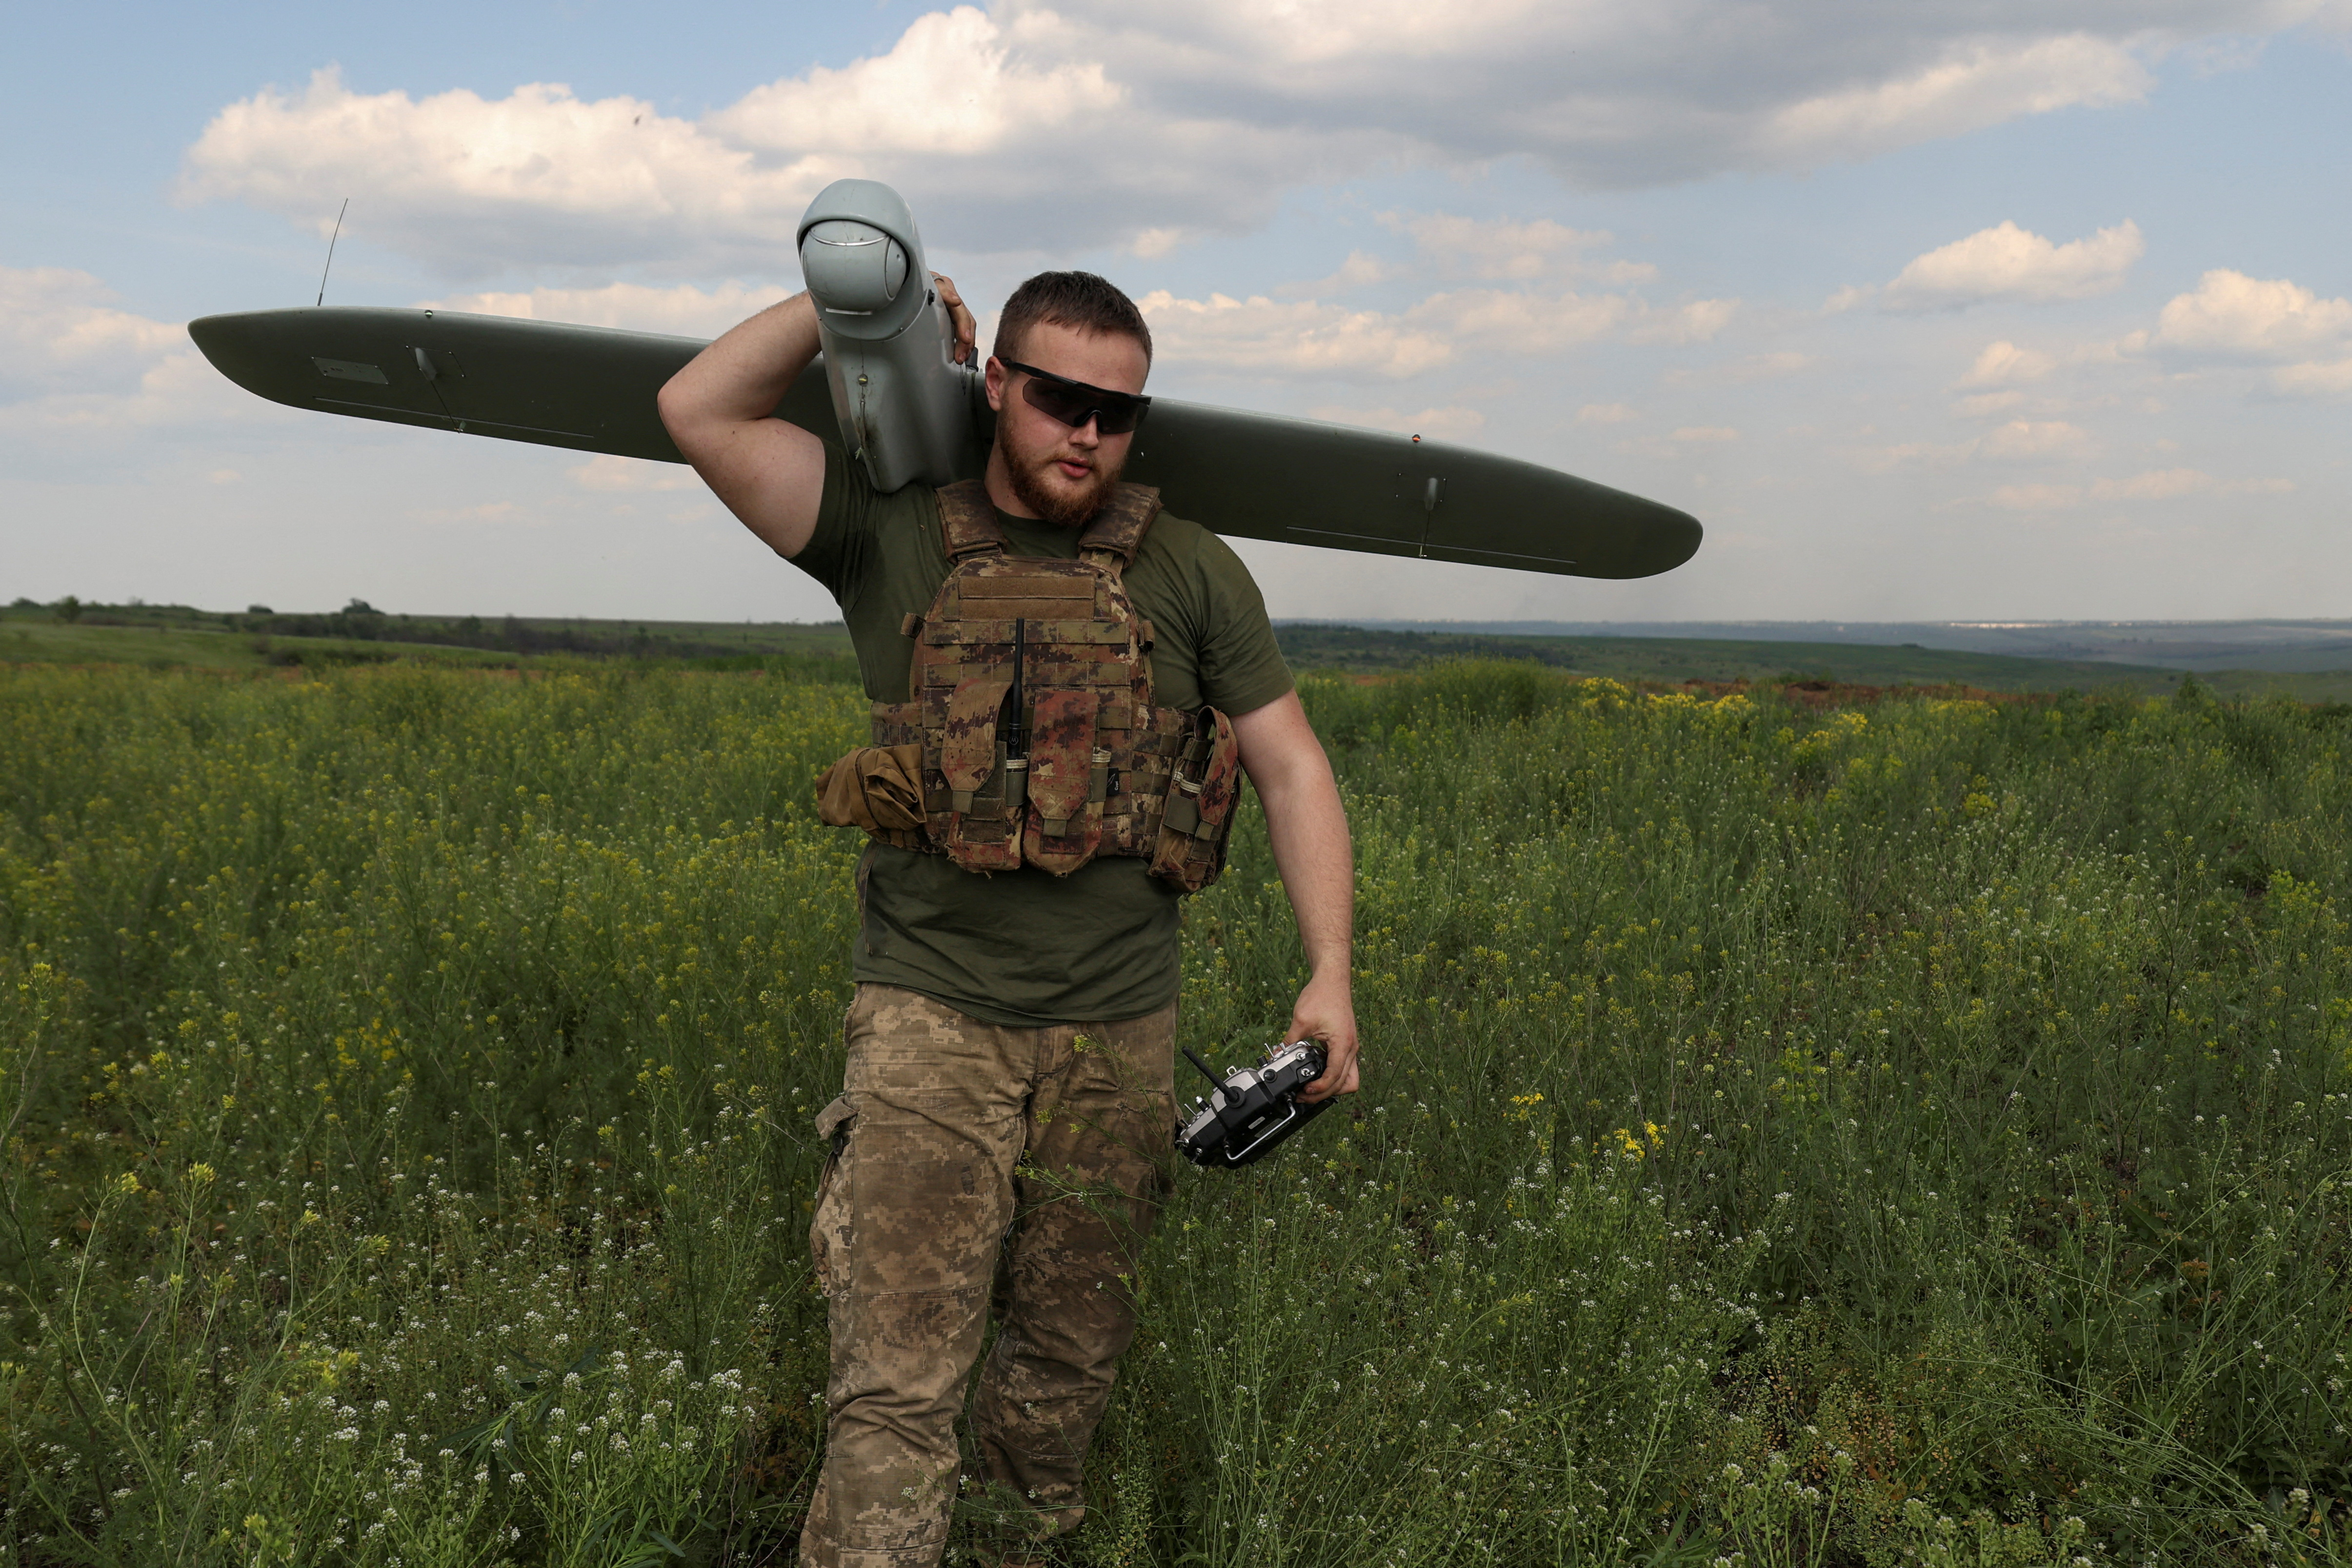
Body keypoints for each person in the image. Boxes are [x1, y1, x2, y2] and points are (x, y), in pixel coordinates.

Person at [659, 269, 1360, 1568]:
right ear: (998, 386)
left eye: (1117, 411)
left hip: (1118, 1042)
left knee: (1059, 1382)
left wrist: (1332, 974)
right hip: (934, 1029)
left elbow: (1292, 763)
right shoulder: (891, 534)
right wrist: (860, 297)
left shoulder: (1192, 570)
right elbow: (698, 409)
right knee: (898, 1390)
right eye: (1056, 398)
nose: (1084, 432)